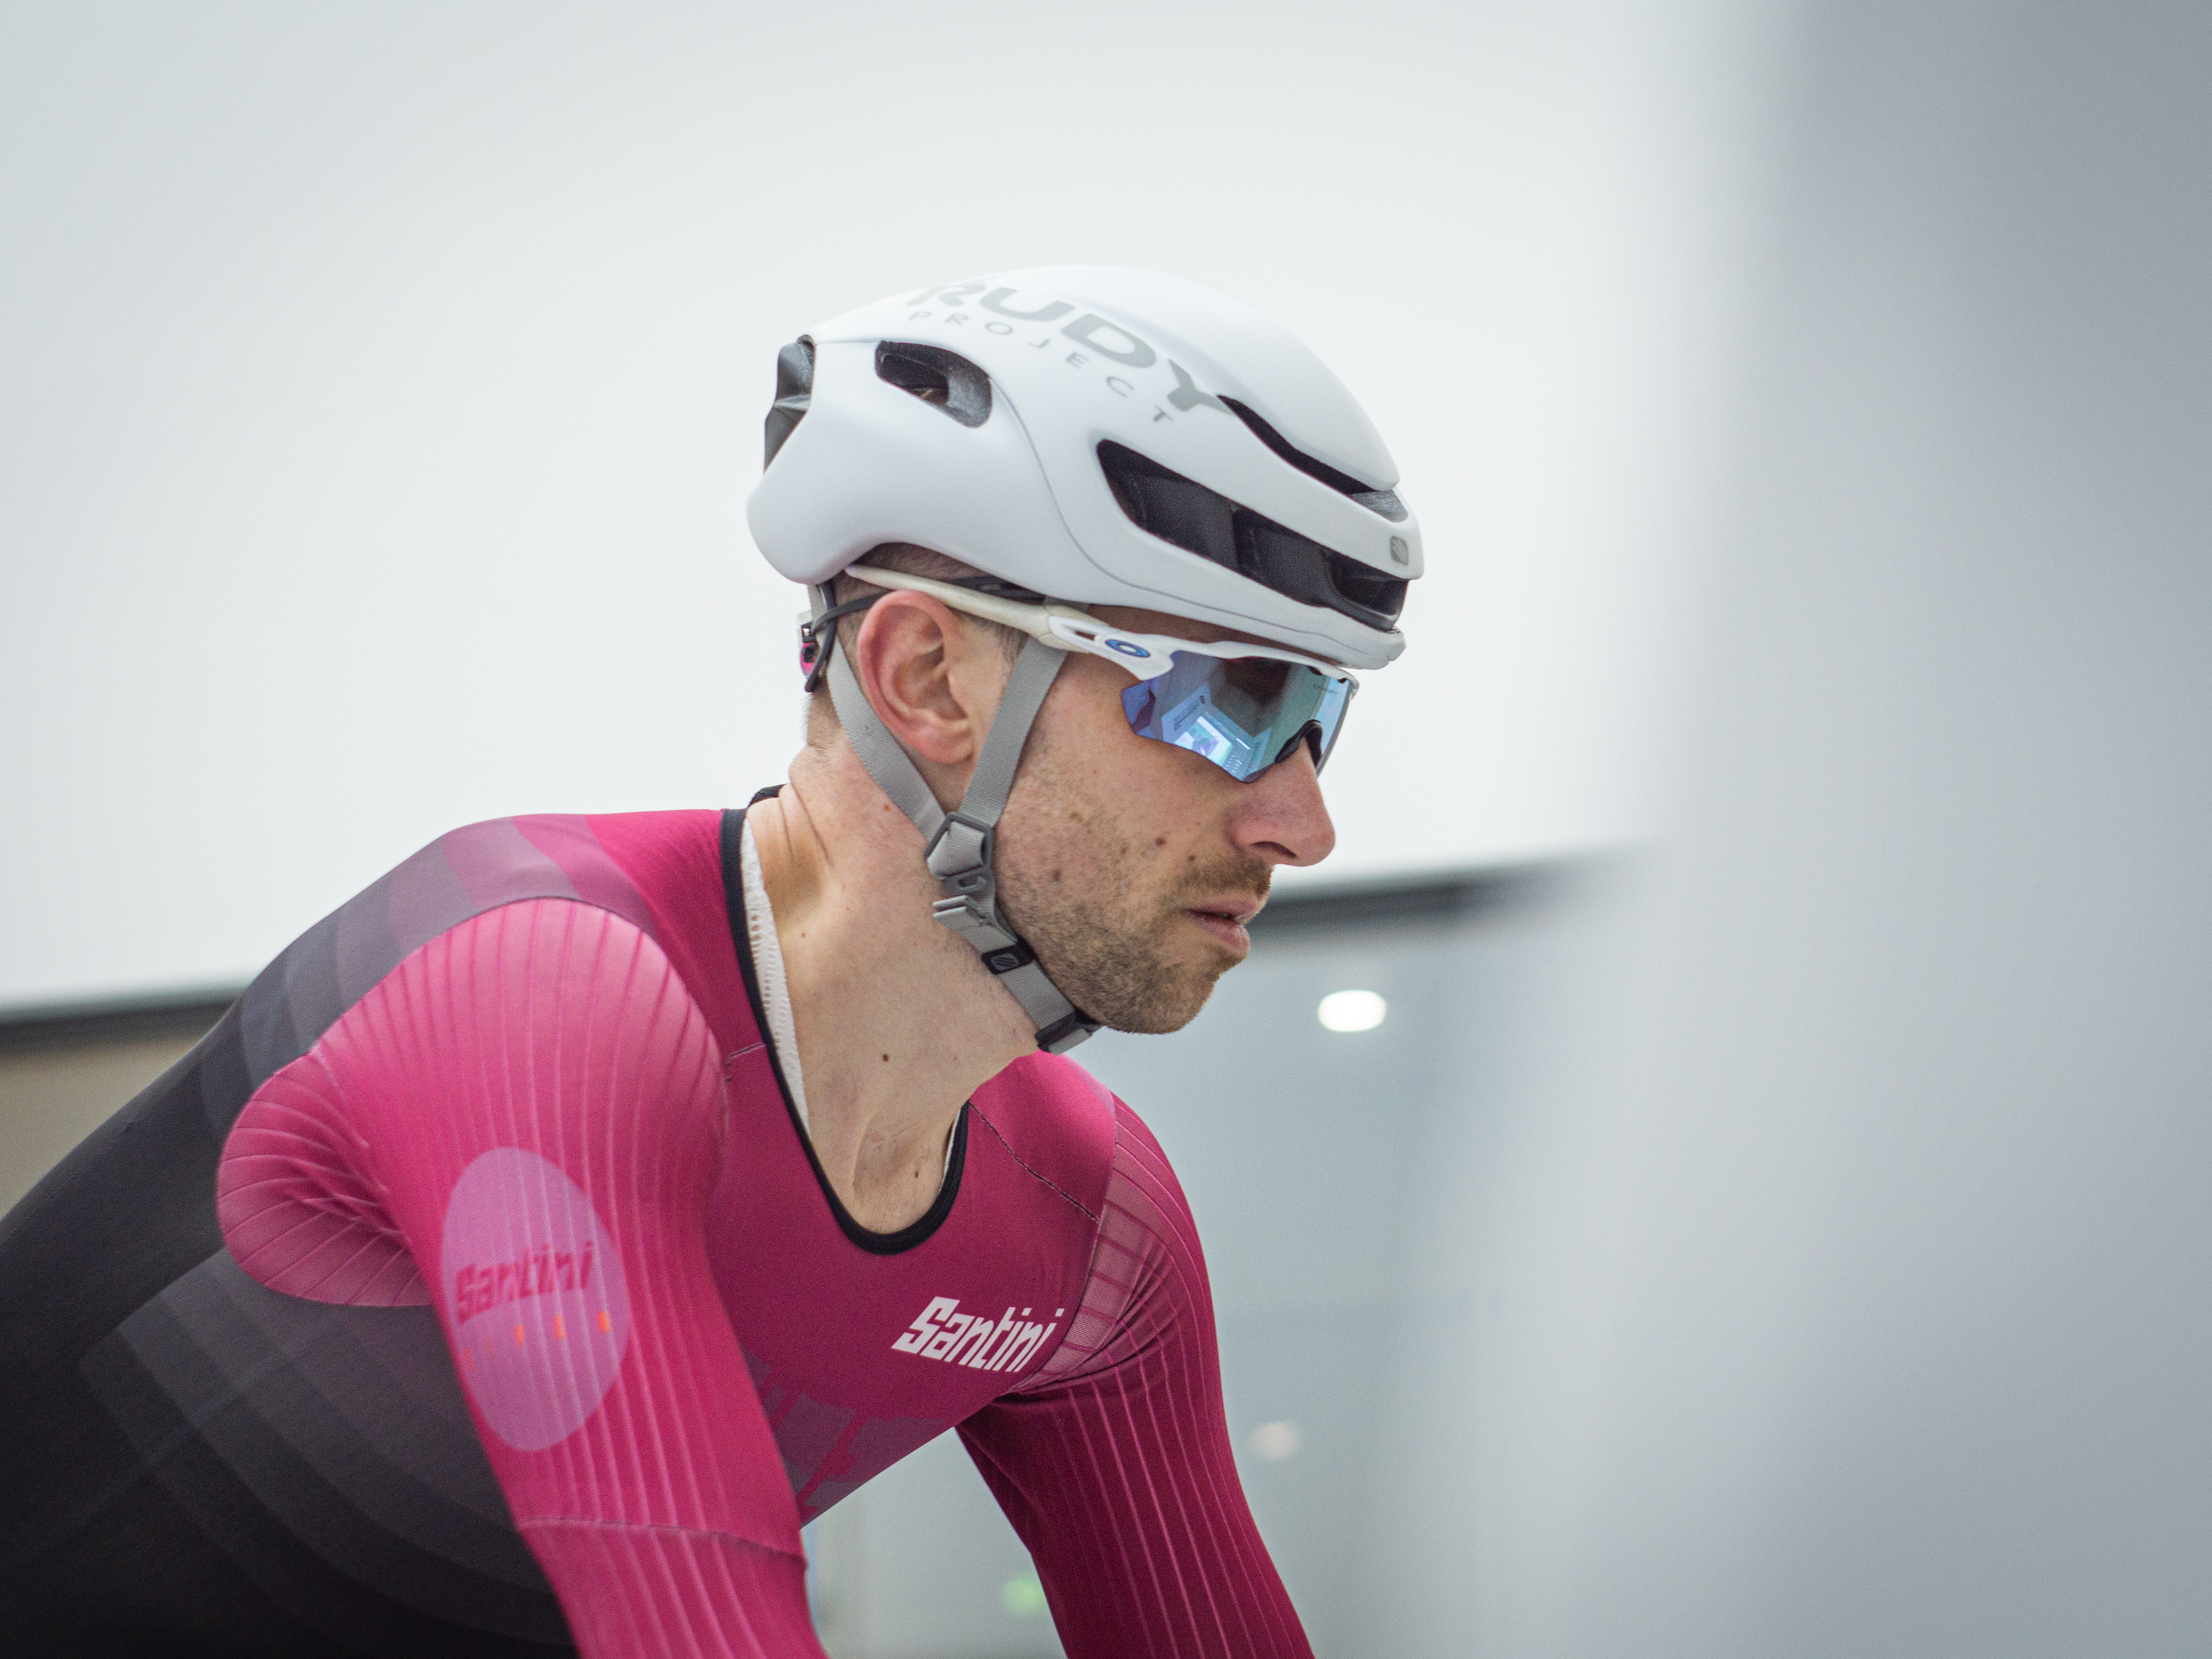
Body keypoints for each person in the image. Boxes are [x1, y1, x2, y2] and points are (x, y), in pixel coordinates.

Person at [0, 266, 1421, 1657]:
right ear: (924, 678)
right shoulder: (539, 992)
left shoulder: (1092, 1222)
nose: (1303, 825)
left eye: (1321, 719)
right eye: (1234, 704)